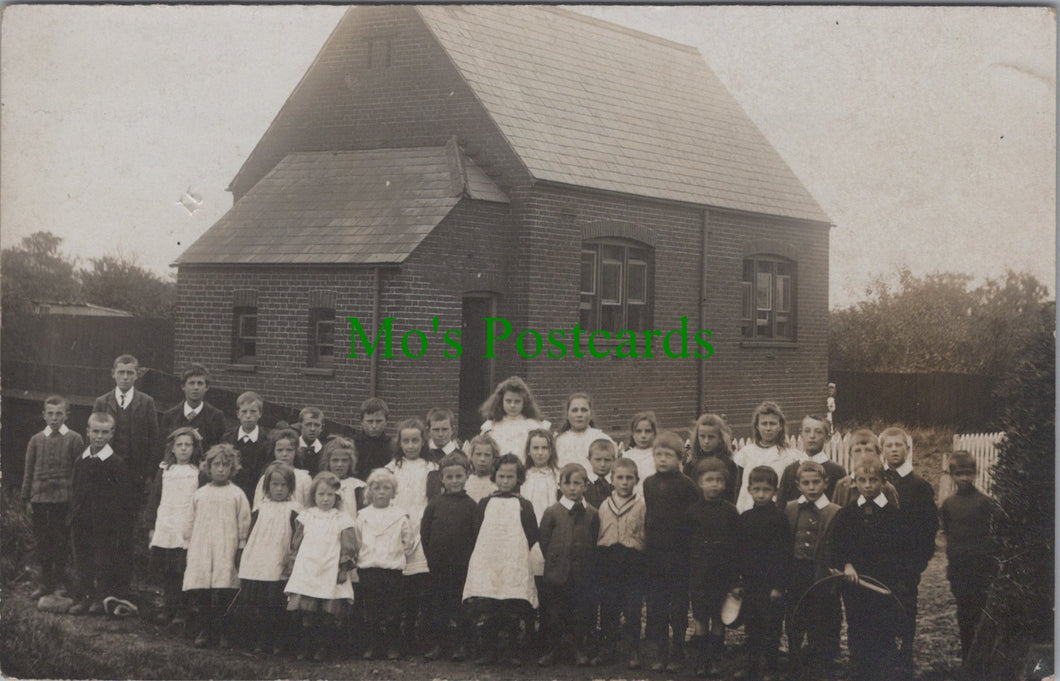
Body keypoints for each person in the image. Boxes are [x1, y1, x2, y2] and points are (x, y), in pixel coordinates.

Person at [831, 456, 914, 681]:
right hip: (855, 583)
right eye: (862, 480)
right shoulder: (846, 514)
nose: (868, 485)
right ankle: (859, 666)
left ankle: (883, 669)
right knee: (857, 623)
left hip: (883, 582)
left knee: (883, 625)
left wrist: (895, 576)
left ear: (883, 482)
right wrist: (846, 565)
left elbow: (901, 550)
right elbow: (836, 545)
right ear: (854, 482)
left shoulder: (893, 515)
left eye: (873, 480)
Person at [462, 454, 539, 667]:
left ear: (519, 478)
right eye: (501, 476)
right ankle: (489, 649)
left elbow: (532, 533)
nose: (505, 481)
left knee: (512, 605)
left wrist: (514, 553)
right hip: (489, 562)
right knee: (489, 605)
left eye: (510, 477)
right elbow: (476, 529)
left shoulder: (524, 505)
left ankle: (512, 650)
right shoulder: (485, 503)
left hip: (513, 562)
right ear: (495, 477)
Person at [880, 426, 938, 671]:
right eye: (889, 446)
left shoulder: (920, 486)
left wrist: (919, 561)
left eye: (898, 445)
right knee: (882, 605)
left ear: (907, 448)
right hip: (882, 561)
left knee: (906, 605)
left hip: (907, 562)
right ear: (882, 450)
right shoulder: (877, 482)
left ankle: (906, 653)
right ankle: (885, 653)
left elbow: (929, 527)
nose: (894, 450)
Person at [283, 472, 357, 662]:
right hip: (308, 568)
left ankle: (322, 647)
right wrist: (292, 564)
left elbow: (349, 546)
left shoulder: (342, 519)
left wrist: (343, 568)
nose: (325, 499)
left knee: (327, 612)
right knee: (307, 611)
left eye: (330, 495)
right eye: (321, 494)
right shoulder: (307, 516)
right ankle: (306, 646)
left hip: (329, 569)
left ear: (337, 497)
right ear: (313, 496)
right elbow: (296, 543)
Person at [182, 444, 251, 648]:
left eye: (225, 465)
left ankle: (223, 630)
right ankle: (205, 628)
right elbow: (190, 521)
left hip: (225, 546)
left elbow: (244, 522)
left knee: (224, 588)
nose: (221, 469)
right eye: (216, 464)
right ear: (208, 467)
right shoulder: (200, 494)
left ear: (232, 468)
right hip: (202, 546)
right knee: (202, 587)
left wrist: (240, 546)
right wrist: (188, 543)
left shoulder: (237, 494)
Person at [69, 412, 136, 615]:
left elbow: (124, 498)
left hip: (104, 524)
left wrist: (116, 524)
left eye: (104, 432)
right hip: (81, 520)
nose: (99, 436)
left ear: (112, 434)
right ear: (87, 432)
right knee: (83, 560)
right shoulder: (81, 460)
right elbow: (75, 488)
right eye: (95, 431)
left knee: (102, 560)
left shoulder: (116, 463)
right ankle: (86, 596)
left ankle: (101, 597)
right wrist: (73, 515)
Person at [643, 430, 699, 672]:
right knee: (656, 605)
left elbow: (694, 522)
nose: (662, 459)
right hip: (655, 555)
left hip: (679, 555)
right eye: (658, 454)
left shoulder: (688, 486)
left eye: (668, 455)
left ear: (680, 458)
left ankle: (678, 650)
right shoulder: (649, 483)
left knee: (677, 605)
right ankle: (660, 651)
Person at [536, 463, 600, 667]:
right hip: (558, 573)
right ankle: (554, 649)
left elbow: (595, 539)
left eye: (577, 483)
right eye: (568, 483)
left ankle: (578, 648)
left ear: (586, 486)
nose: (572, 488)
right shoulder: (552, 512)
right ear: (560, 485)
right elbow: (544, 541)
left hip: (582, 574)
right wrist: (556, 560)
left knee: (579, 612)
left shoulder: (592, 513)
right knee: (555, 613)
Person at [384, 417, 439, 655]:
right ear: (399, 442)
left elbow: (433, 501)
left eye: (415, 440)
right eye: (406, 441)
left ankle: (420, 637)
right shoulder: (391, 469)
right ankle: (397, 639)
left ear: (423, 441)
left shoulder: (432, 469)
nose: (411, 445)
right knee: (399, 589)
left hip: (422, 527)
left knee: (422, 587)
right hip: (398, 528)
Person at [939, 451, 1000, 663]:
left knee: (981, 613)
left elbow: (993, 535)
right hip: (959, 568)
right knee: (964, 612)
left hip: (981, 568)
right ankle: (968, 657)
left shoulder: (985, 502)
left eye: (968, 473)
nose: (964, 478)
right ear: (952, 475)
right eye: (959, 474)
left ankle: (983, 657)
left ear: (975, 474)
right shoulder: (948, 504)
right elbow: (948, 532)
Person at [22, 394, 83, 599]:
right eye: (50, 414)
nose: (54, 418)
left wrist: (76, 501)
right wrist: (26, 498)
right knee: (42, 542)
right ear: (43, 415)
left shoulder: (75, 439)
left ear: (67, 415)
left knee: (61, 542)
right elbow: (28, 471)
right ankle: (45, 583)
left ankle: (61, 584)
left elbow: (78, 473)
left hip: (63, 500)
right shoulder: (36, 440)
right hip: (40, 499)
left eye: (59, 414)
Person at [419, 452, 479, 661]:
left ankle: (462, 645)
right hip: (439, 566)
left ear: (466, 477)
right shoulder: (435, 504)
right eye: (450, 477)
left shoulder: (472, 506)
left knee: (461, 607)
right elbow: (425, 533)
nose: (454, 481)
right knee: (439, 606)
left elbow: (476, 535)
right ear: (442, 479)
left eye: (458, 476)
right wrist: (432, 558)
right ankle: (439, 644)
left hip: (463, 567)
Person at [784, 460, 842, 672]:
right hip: (796, 570)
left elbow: (838, 545)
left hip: (820, 572)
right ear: (798, 485)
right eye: (806, 483)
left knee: (822, 612)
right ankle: (794, 652)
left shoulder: (835, 511)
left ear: (825, 483)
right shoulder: (790, 508)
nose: (811, 487)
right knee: (795, 610)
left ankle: (822, 653)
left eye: (816, 482)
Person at [237, 461, 301, 654]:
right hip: (259, 560)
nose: (279, 489)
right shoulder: (260, 508)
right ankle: (259, 639)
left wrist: (290, 560)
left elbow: (297, 538)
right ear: (267, 487)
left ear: (290, 487)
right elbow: (251, 534)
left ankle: (278, 641)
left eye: (284, 485)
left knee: (276, 603)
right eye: (275, 485)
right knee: (258, 603)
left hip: (279, 561)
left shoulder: (295, 510)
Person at [735, 466, 791, 681]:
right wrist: (737, 581)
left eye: (766, 490)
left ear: (774, 491)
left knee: (771, 628)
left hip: (770, 584)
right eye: (756, 489)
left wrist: (778, 586)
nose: (761, 494)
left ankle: (771, 668)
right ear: (749, 490)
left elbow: (783, 554)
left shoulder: (779, 518)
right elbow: (738, 551)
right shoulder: (745, 518)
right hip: (751, 583)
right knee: (751, 626)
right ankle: (751, 667)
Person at [685, 457, 739, 678]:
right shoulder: (692, 512)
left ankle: (715, 659)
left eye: (719, 480)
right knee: (700, 616)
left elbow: (736, 545)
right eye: (709, 480)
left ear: (725, 484)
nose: (714, 484)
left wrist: (735, 578)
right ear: (700, 482)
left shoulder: (730, 511)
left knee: (718, 616)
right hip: (699, 571)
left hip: (721, 571)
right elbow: (686, 543)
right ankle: (701, 659)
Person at [146, 426, 204, 626]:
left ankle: (183, 608)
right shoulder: (165, 470)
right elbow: (155, 498)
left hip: (186, 524)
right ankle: (168, 606)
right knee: (168, 567)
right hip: (167, 523)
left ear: (194, 448)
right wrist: (152, 525)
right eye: (179, 445)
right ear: (172, 448)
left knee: (182, 567)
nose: (184, 449)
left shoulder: (198, 472)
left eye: (188, 445)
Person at [355, 468, 414, 661]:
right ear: (369, 491)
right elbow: (357, 540)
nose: (381, 492)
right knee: (371, 609)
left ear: (393, 492)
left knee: (393, 610)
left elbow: (408, 542)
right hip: (369, 569)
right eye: (377, 488)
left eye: (386, 488)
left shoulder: (399, 515)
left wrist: (395, 555)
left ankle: (392, 645)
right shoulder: (363, 515)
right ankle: (373, 644)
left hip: (392, 570)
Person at [594, 457, 647, 669]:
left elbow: (645, 534)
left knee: (633, 609)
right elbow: (600, 534)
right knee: (609, 607)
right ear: (612, 480)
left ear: (636, 480)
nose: (624, 482)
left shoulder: (642, 505)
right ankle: (608, 649)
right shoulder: (604, 505)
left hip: (633, 560)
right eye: (620, 477)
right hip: (609, 559)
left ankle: (633, 649)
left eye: (629, 478)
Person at [92, 354, 160, 493]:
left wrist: (148, 474)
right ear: (113, 374)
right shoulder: (102, 402)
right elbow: (92, 437)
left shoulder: (146, 402)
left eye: (130, 373)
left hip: (135, 471)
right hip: (106, 467)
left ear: (137, 375)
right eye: (121, 372)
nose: (125, 377)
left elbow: (154, 439)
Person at [732, 402, 804, 512]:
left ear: (780, 426)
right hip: (747, 510)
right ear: (757, 426)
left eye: (772, 424)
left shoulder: (791, 455)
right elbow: (738, 487)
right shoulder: (746, 453)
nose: (768, 428)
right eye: (764, 424)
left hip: (776, 511)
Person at [521, 428, 560, 616]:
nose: (540, 452)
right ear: (528, 450)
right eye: (535, 447)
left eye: (544, 448)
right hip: (528, 531)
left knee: (548, 584)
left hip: (552, 531)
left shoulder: (557, 476)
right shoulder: (523, 477)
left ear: (551, 450)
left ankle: (548, 627)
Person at [471, 376, 550, 461]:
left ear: (525, 402)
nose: (512, 405)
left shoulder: (533, 426)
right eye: (508, 401)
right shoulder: (491, 426)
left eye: (517, 401)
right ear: (501, 401)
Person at [777, 415, 846, 507]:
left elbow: (842, 505)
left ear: (827, 438)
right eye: (807, 431)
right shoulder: (790, 470)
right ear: (801, 435)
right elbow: (781, 505)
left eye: (818, 432)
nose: (812, 436)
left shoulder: (837, 471)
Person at [159, 363, 225, 456]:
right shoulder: (170, 416)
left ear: (206, 387)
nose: (196, 387)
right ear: (183, 386)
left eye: (200, 383)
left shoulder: (216, 416)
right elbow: (163, 450)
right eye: (191, 383)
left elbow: (219, 451)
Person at [221, 391, 270, 504]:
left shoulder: (267, 441)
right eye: (244, 411)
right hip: (230, 495)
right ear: (238, 414)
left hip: (256, 496)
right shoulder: (227, 439)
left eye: (253, 411)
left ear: (260, 414)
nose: (248, 416)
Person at [832, 430, 899, 508]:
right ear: (850, 454)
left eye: (869, 450)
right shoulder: (843, 486)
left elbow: (894, 516)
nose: (863, 455)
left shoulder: (886, 488)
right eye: (857, 451)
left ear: (878, 453)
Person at [684, 413, 739, 504]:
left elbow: (731, 496)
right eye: (702, 436)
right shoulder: (691, 464)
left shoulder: (728, 464)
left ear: (720, 438)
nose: (706, 441)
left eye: (711, 437)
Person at [253, 427, 312, 509]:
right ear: (274, 451)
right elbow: (257, 506)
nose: (284, 454)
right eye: (280, 450)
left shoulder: (304, 479)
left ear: (296, 451)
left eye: (289, 450)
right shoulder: (266, 477)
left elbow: (309, 508)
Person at [555, 392, 613, 468]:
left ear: (591, 414)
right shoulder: (558, 441)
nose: (579, 414)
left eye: (584, 410)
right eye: (574, 410)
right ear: (567, 415)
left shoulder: (602, 438)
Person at [322, 437, 366, 518]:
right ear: (328, 461)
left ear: (351, 462)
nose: (340, 464)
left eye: (344, 460)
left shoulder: (358, 487)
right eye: (335, 460)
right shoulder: (321, 484)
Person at [619, 411, 657, 497]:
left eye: (647, 431)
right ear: (633, 434)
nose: (643, 435)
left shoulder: (658, 455)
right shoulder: (627, 456)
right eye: (638, 431)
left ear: (654, 433)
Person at [353, 398, 391, 480]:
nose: (374, 426)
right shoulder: (353, 445)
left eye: (378, 421)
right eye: (370, 421)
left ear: (386, 422)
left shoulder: (392, 446)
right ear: (361, 422)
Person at [465, 434, 499, 502]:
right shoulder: (465, 482)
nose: (482, 459)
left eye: (487, 455)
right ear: (471, 456)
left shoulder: (498, 483)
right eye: (478, 454)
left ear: (494, 458)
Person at [584, 438, 615, 509]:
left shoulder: (617, 483)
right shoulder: (584, 483)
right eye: (598, 459)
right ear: (589, 459)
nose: (602, 464)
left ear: (614, 460)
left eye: (607, 460)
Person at [296, 407, 328, 474]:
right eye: (308, 424)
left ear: (322, 428)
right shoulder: (292, 447)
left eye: (317, 425)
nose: (312, 429)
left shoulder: (325, 452)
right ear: (300, 425)